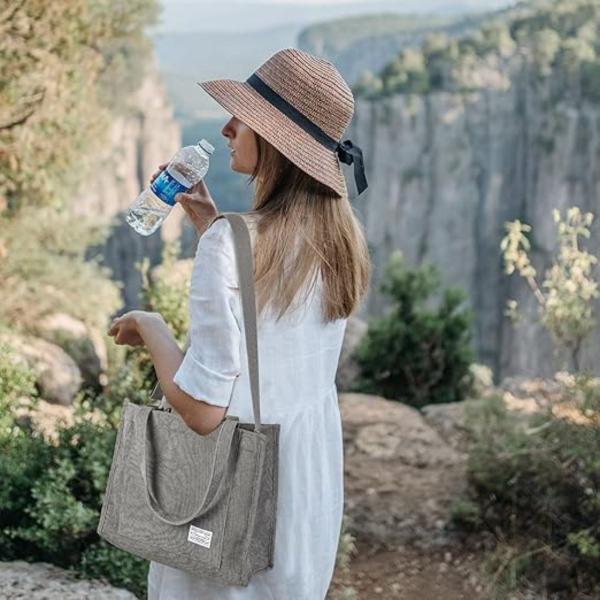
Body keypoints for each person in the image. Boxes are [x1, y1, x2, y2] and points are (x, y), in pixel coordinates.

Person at [108, 47, 371, 600]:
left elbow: (204, 411)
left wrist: (151, 328)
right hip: (303, 485)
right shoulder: (341, 243)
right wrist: (209, 222)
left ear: (274, 139)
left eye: (243, 117)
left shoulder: (231, 243)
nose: (227, 127)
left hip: (228, 491)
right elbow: (271, 319)